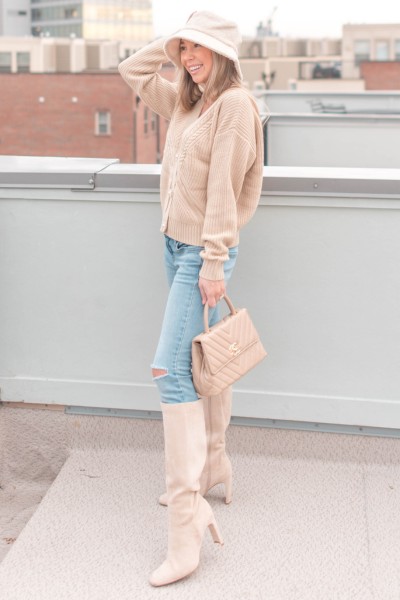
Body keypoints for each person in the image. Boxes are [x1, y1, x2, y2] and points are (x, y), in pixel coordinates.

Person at [118, 10, 264, 587]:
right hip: (174, 248)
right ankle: (213, 461)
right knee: (198, 362)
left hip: (202, 255)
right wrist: (172, 43)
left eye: (201, 48)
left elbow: (227, 189)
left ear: (224, 52)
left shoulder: (234, 107)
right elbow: (131, 70)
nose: (189, 56)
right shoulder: (187, 99)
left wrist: (211, 262)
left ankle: (187, 527)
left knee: (169, 371)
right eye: (185, 48)